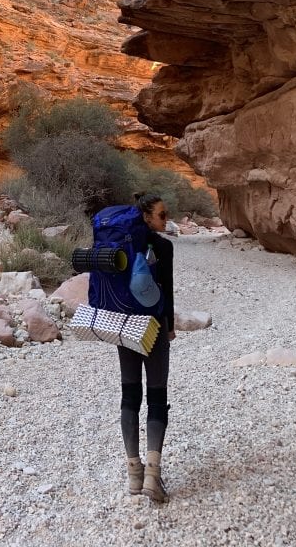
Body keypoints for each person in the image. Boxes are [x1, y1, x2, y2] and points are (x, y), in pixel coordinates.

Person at [119, 192, 175, 503]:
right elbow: (168, 292)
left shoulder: (120, 246)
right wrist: (170, 327)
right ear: (146, 217)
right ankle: (152, 476)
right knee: (156, 397)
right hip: (153, 327)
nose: (166, 219)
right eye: (162, 215)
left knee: (129, 395)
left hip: (124, 326)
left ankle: (133, 475)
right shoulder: (163, 247)